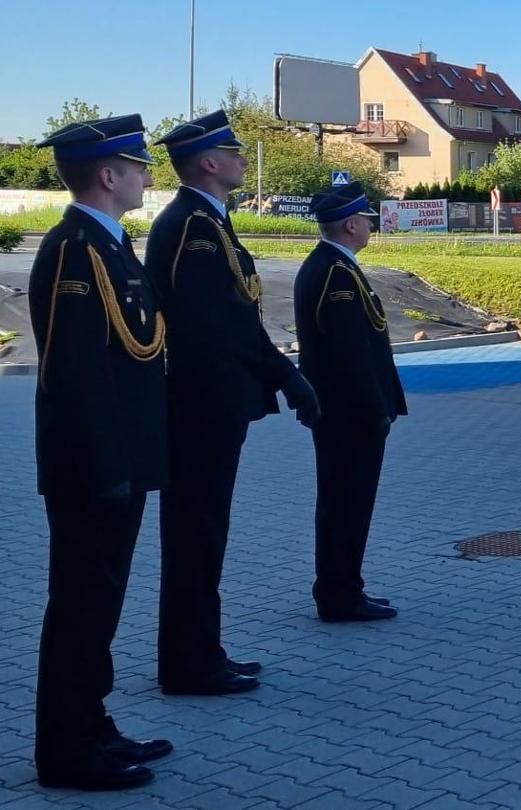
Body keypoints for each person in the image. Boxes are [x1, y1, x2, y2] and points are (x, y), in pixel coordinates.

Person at [145, 110, 320, 697]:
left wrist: (280, 374)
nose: (246, 158)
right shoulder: (192, 228)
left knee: (205, 530)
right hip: (201, 404)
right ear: (209, 163)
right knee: (196, 530)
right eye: (235, 151)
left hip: (213, 401)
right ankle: (188, 663)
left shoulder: (207, 222)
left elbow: (233, 317)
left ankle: (202, 650)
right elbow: (216, 325)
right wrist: (284, 375)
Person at [29, 114, 174, 791]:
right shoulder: (73, 251)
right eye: (138, 165)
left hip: (123, 462)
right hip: (94, 470)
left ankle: (93, 724)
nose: (148, 174)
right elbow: (73, 372)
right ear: (108, 175)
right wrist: (105, 465)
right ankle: (65, 751)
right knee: (81, 606)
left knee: (102, 604)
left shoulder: (111, 248)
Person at [293, 182, 406, 623]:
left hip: (343, 411)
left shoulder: (334, 265)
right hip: (349, 413)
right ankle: (338, 593)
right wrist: (374, 409)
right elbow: (350, 353)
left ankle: (345, 585)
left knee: (347, 502)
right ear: (350, 224)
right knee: (346, 503)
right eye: (367, 220)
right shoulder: (336, 273)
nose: (371, 226)